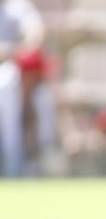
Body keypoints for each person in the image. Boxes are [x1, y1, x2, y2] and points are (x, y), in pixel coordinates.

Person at [0, 0, 43, 176]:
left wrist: (12, 51)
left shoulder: (18, 7)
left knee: (7, 80)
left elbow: (35, 34)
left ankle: (14, 166)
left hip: (12, 68)